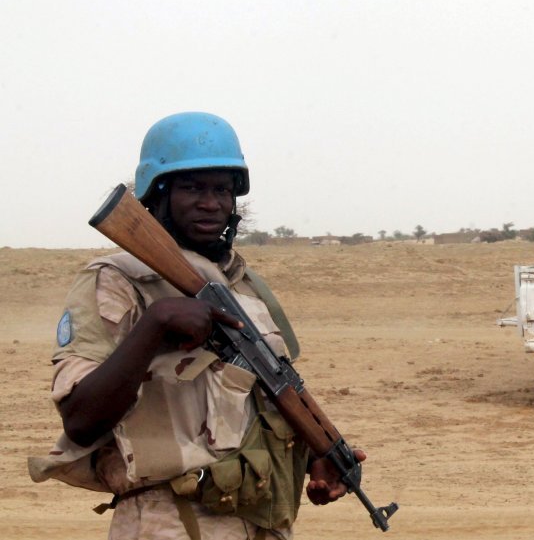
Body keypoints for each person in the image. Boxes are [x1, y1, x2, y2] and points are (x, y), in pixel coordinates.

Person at [29, 112, 363, 539]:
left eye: (222, 189)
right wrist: (155, 325)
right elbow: (80, 420)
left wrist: (313, 453)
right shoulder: (117, 279)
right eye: (192, 188)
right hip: (168, 520)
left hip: (257, 521)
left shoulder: (242, 285)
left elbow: (259, 403)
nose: (211, 202)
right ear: (157, 194)